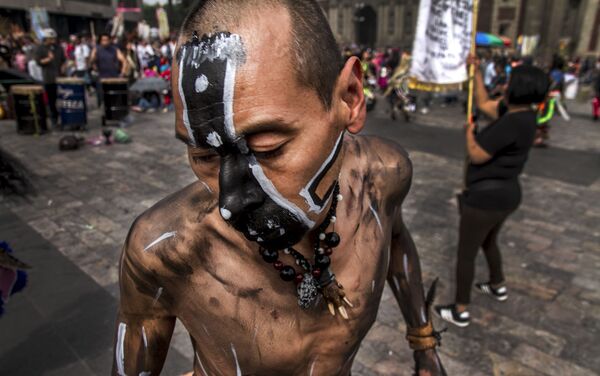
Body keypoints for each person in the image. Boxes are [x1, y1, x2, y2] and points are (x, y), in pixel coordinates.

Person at [112, 1, 447, 375]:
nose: (230, 201)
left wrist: (424, 342)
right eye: (204, 156)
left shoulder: (383, 176)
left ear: (349, 97)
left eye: (268, 148)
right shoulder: (166, 250)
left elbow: (396, 237)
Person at [434, 55, 549, 327]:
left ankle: (460, 309)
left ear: (519, 88)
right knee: (489, 241)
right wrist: (475, 73)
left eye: (511, 81)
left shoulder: (512, 122)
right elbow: (485, 103)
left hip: (486, 198)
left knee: (466, 253)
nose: (506, 83)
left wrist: (469, 133)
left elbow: (477, 155)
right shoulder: (524, 115)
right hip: (506, 195)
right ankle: (498, 284)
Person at [35, 28, 65, 129]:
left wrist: (64, 66)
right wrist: (48, 59)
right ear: (46, 38)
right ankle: (54, 119)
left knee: (62, 99)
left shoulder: (58, 48)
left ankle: (64, 118)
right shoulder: (40, 48)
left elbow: (63, 60)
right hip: (48, 78)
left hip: (59, 77)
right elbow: (38, 62)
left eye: (54, 38)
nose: (53, 40)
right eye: (50, 38)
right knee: (52, 101)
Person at [90, 33, 128, 107]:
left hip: (113, 77)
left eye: (107, 40)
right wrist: (93, 58)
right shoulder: (97, 49)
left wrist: (122, 72)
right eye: (103, 40)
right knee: (102, 98)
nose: (105, 41)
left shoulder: (114, 49)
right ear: (100, 41)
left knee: (113, 97)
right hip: (101, 77)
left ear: (110, 40)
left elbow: (124, 61)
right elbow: (92, 61)